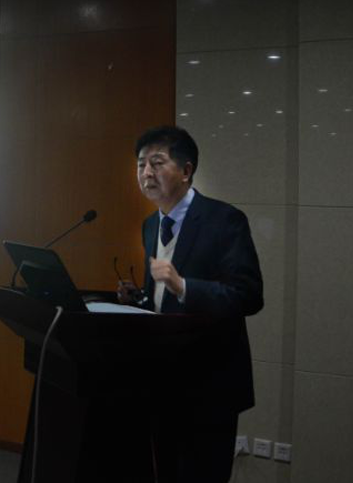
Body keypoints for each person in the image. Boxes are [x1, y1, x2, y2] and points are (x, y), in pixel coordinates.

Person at [118, 125, 263, 483]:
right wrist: (140, 297)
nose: (146, 173)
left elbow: (248, 295)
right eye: (140, 164)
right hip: (161, 380)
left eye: (157, 163)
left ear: (186, 170)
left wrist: (184, 286)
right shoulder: (150, 225)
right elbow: (163, 298)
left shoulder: (224, 220)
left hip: (210, 384)